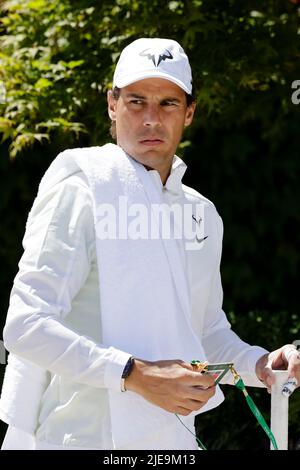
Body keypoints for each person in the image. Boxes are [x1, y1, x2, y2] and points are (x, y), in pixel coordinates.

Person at [0, 37, 299, 451]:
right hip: (80, 440)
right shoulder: (82, 189)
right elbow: (25, 325)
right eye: (137, 101)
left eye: (168, 104)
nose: (151, 120)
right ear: (112, 104)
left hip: (171, 443)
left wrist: (261, 364)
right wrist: (133, 374)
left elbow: (206, 332)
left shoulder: (202, 214)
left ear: (190, 112)